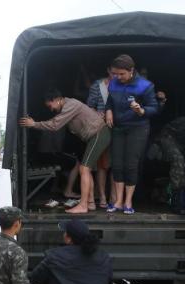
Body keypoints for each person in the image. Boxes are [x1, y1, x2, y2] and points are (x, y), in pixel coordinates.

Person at [19, 89, 111, 214]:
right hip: (93, 137)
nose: (51, 109)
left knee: (84, 169)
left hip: (99, 134)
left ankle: (83, 205)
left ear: (56, 100)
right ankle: (90, 203)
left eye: (50, 105)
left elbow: (55, 125)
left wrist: (34, 124)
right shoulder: (66, 107)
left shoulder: (70, 105)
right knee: (86, 169)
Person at [105, 54, 159, 214]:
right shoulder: (114, 83)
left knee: (130, 165)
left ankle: (128, 202)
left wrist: (141, 110)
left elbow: (154, 107)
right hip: (118, 127)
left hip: (138, 128)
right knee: (117, 165)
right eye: (115, 74)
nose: (118, 77)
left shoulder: (145, 85)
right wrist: (108, 111)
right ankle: (118, 201)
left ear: (131, 71)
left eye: (121, 74)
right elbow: (110, 101)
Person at [87, 68, 117, 208]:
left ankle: (114, 197)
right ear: (108, 70)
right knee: (102, 165)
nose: (116, 75)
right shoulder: (97, 85)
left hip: (120, 129)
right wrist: (97, 114)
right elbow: (89, 107)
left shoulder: (124, 84)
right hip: (102, 128)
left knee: (116, 165)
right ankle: (102, 197)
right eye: (113, 72)